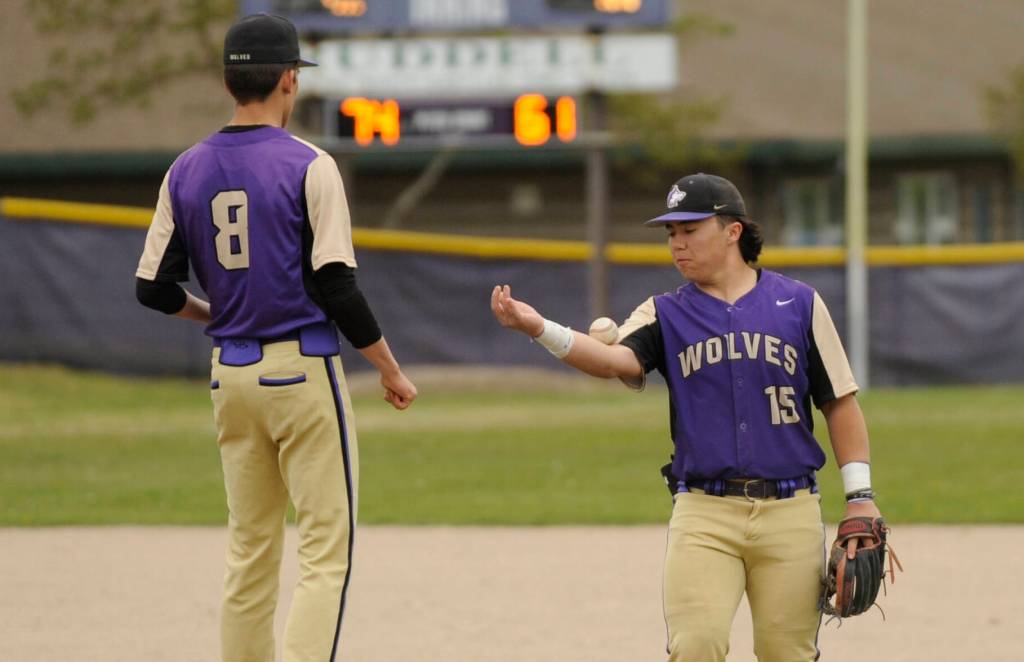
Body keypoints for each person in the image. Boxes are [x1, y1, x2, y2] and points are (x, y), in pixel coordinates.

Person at [490, 173, 883, 662]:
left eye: (690, 230)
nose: (677, 244)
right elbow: (615, 361)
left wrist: (860, 498)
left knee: (789, 653)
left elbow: (839, 402)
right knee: (695, 647)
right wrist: (539, 328)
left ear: (732, 231)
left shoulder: (799, 304)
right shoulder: (664, 313)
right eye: (671, 234)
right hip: (704, 513)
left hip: (791, 511)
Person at [134, 13, 417, 662]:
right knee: (324, 552)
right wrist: (390, 369)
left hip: (229, 376)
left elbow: (153, 288)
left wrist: (218, 313)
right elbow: (337, 284)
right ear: (289, 79)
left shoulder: (185, 169)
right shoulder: (310, 165)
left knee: (250, 548)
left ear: (231, 82)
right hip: (301, 371)